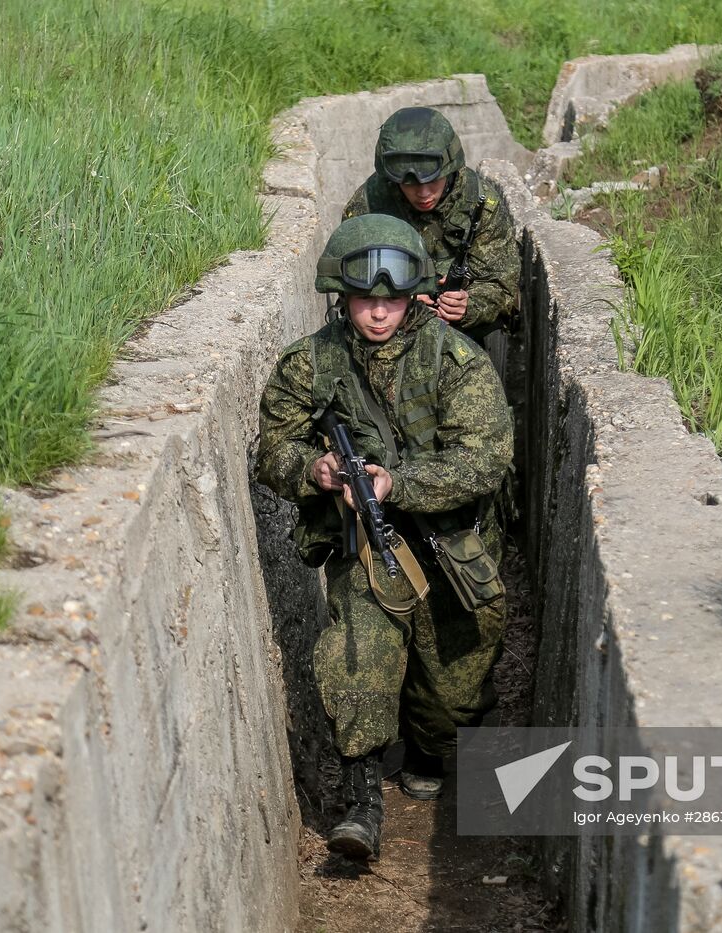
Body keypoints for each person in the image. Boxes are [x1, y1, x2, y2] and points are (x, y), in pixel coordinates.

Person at [256, 214, 513, 862]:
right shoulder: (312, 364)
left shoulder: (457, 360)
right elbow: (273, 449)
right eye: (364, 300)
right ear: (341, 296)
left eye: (390, 299)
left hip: (451, 544)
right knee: (355, 655)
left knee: (452, 690)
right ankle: (361, 799)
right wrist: (313, 470)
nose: (377, 313)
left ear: (411, 296)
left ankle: (426, 744)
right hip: (366, 545)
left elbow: (485, 458)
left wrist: (395, 482)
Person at [342, 107, 520, 356]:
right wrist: (400, 298)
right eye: (411, 183)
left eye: (432, 180)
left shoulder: (480, 205)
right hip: (388, 327)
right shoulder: (368, 205)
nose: (423, 193)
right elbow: (347, 282)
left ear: (450, 168)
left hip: (468, 332)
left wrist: (468, 305)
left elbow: (501, 285)